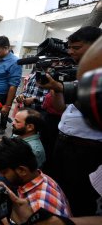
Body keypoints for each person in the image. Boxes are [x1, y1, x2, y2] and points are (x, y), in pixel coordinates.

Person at [38, 26, 102, 216]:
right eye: (69, 47)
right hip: (63, 141)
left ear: (96, 47)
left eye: (76, 47)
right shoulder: (77, 73)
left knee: (80, 198)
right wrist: (56, 88)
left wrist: (64, 87)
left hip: (87, 150)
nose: (70, 51)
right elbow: (61, 108)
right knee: (56, 187)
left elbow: (92, 106)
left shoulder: (94, 78)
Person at [0, 137, 71, 225]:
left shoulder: (38, 210)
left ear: (22, 170)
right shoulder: (43, 178)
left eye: (4, 172)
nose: (1, 176)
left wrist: (1, 216)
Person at [0, 108, 46, 186]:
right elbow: (9, 142)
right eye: (14, 120)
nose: (13, 123)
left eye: (17, 121)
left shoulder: (33, 150)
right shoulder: (21, 133)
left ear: (30, 127)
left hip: (19, 181)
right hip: (10, 169)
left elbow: (18, 174)